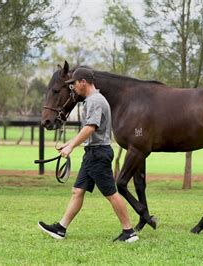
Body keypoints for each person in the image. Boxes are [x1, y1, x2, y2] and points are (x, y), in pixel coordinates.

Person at [38, 67, 138, 243]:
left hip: (98, 154)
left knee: (112, 194)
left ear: (83, 82)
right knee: (77, 191)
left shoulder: (95, 101)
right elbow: (88, 131)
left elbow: (91, 127)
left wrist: (71, 148)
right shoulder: (92, 100)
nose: (74, 88)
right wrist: (69, 144)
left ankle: (129, 231)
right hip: (92, 153)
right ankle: (61, 228)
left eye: (74, 84)